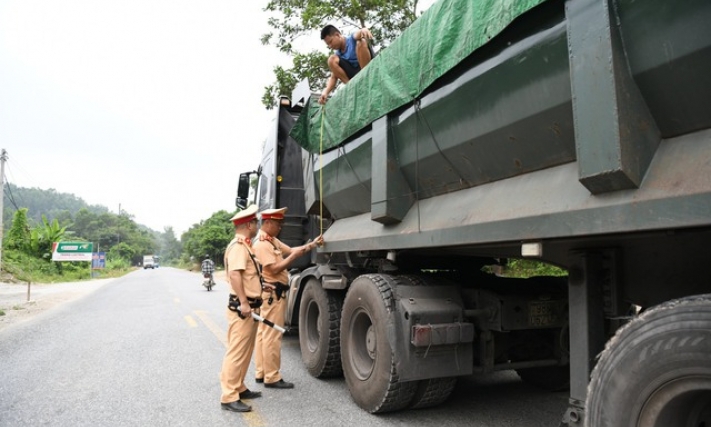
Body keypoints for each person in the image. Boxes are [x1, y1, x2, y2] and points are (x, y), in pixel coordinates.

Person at [252, 207, 324, 389]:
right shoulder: (262, 244)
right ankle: (272, 377)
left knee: (263, 334)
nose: (280, 227)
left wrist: (312, 244)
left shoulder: (271, 240)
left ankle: (262, 372)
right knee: (272, 335)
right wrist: (293, 257)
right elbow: (274, 268)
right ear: (267, 223)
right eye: (277, 224)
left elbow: (292, 249)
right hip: (272, 295)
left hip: (272, 294)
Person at [219, 205, 264, 413]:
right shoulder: (238, 247)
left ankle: (239, 387)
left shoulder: (246, 246)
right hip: (242, 309)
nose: (257, 225)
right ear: (248, 225)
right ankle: (228, 396)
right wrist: (245, 303)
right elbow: (235, 275)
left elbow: (247, 276)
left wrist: (263, 286)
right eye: (255, 222)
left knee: (246, 351)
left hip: (251, 307)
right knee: (236, 352)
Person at [318, 24, 374, 104]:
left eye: (330, 42)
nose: (330, 46)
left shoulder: (351, 39)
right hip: (355, 75)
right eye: (328, 45)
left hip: (367, 67)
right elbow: (333, 77)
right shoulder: (338, 55)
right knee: (331, 60)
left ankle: (365, 75)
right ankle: (351, 85)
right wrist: (325, 92)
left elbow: (358, 34)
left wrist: (363, 30)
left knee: (361, 41)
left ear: (337, 35)